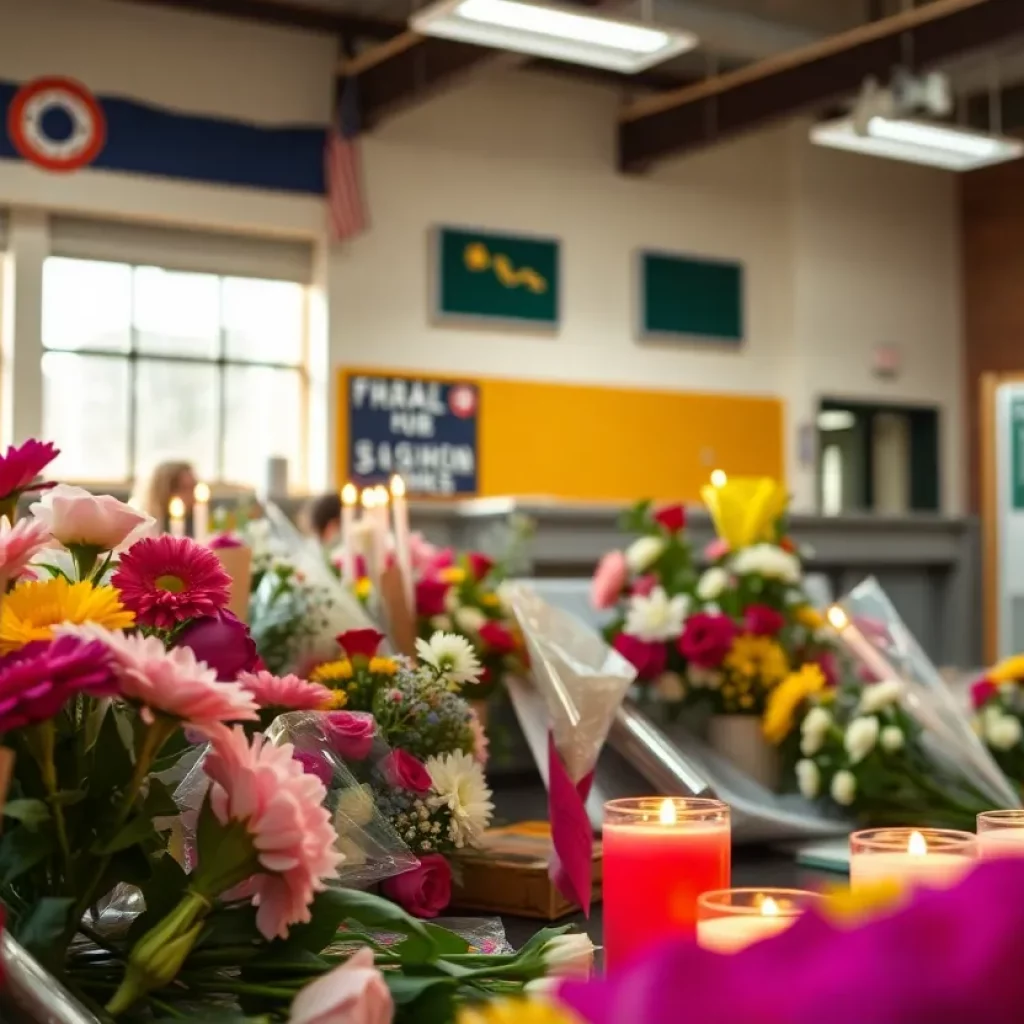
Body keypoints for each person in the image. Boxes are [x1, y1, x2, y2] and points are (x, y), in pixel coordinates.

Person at [133, 460, 198, 533]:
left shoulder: (198, 523)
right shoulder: (145, 529)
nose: (193, 495)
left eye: (194, 487)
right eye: (184, 488)